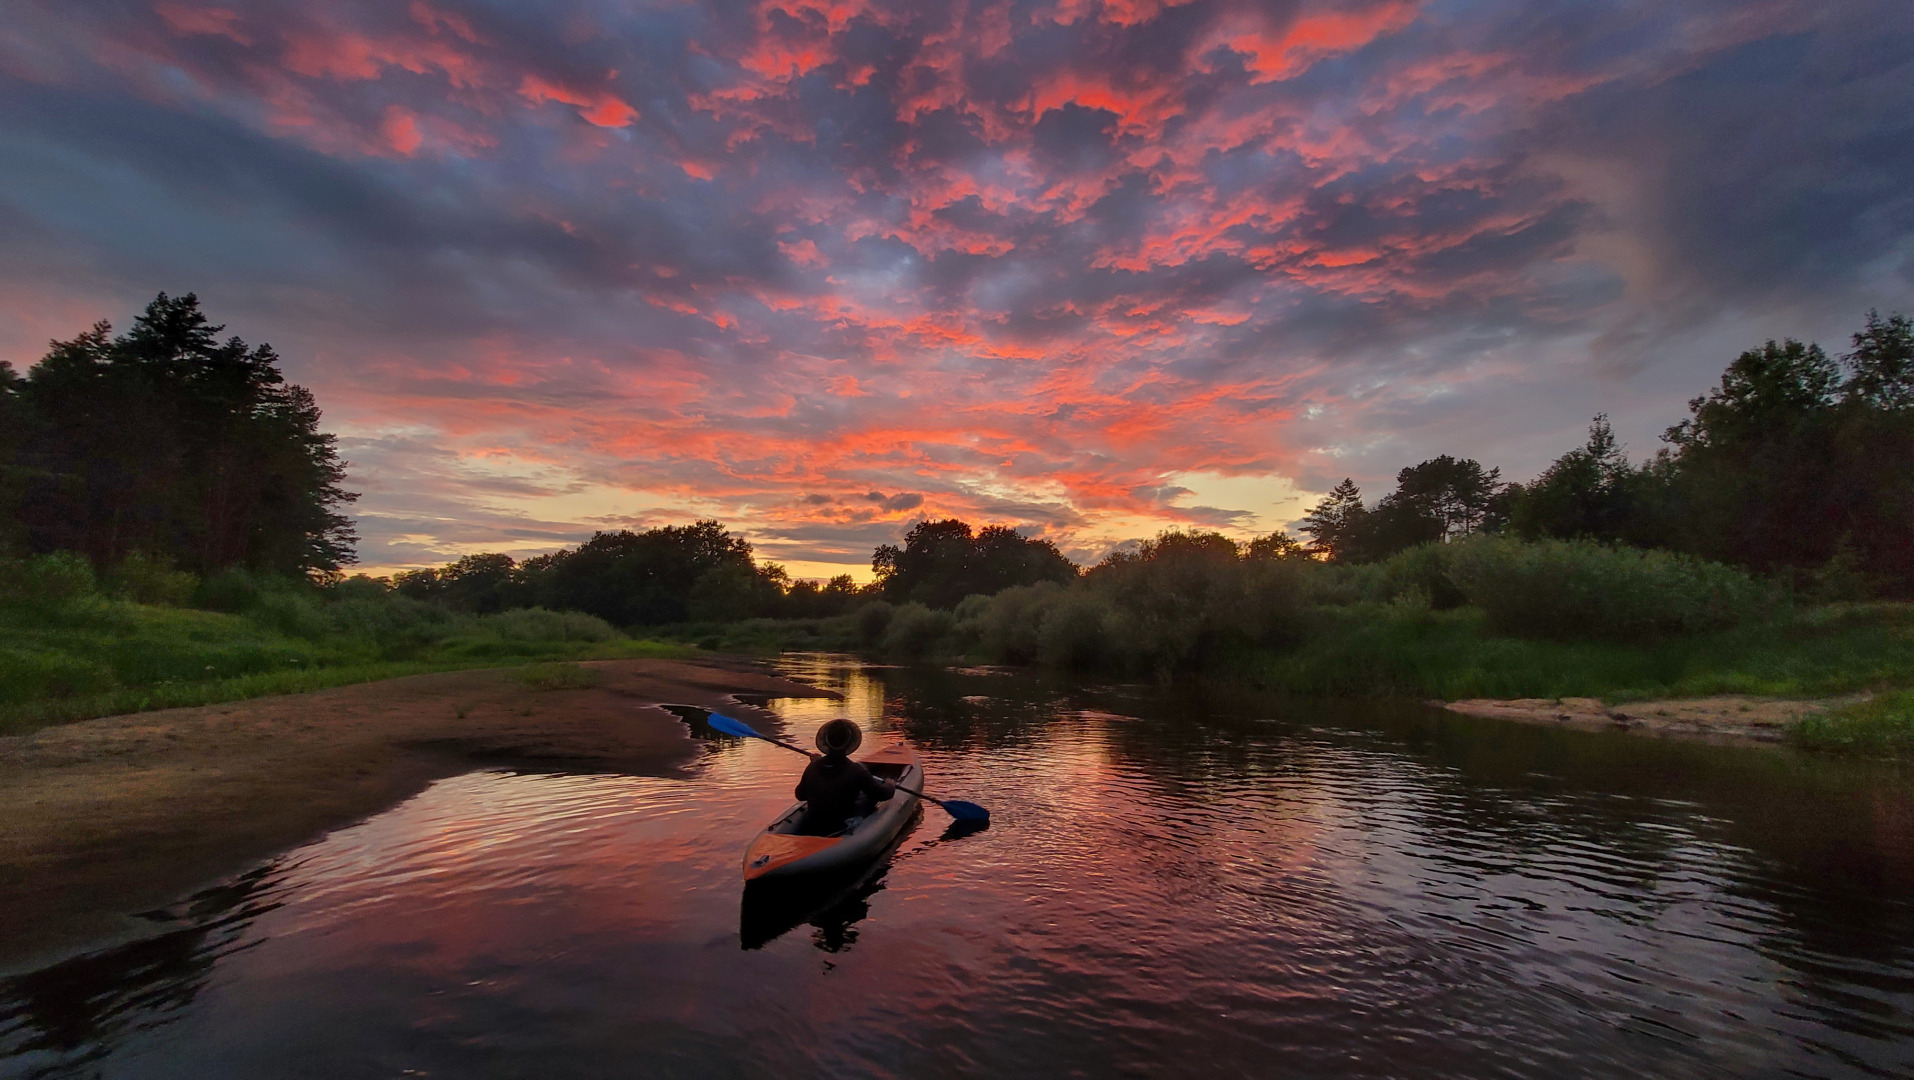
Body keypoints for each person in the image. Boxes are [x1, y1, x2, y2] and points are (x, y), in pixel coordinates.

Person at [794, 719, 896, 835]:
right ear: (848, 743)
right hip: (840, 826)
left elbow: (800, 795)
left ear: (827, 742)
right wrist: (890, 785)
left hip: (813, 824)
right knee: (868, 798)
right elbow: (881, 794)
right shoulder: (857, 770)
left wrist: (815, 763)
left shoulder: (812, 767)